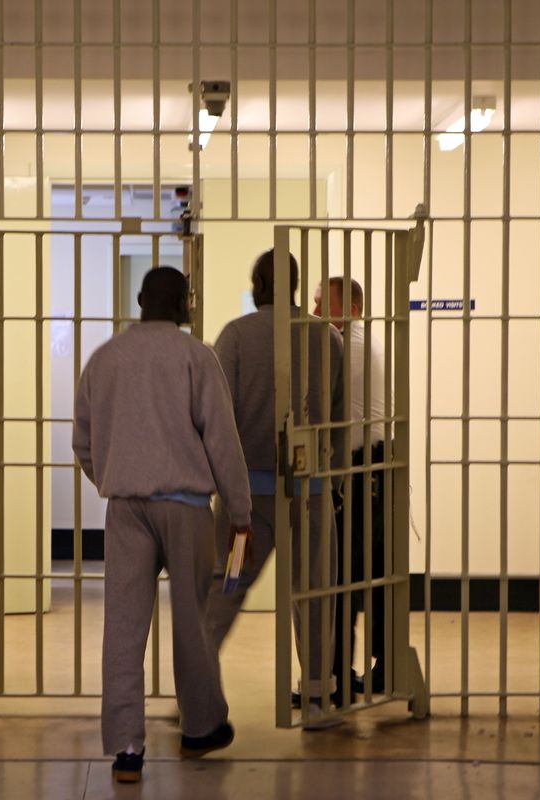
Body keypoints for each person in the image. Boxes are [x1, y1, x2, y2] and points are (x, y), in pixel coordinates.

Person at [72, 266, 252, 783]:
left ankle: (127, 749)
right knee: (192, 622)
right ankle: (200, 728)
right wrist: (240, 514)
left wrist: (116, 477)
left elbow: (83, 444)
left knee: (123, 628)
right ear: (181, 304)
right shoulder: (196, 357)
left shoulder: (104, 359)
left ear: (140, 300)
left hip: (125, 508)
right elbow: (222, 440)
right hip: (187, 507)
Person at [204, 249, 346, 729]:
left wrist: (216, 482)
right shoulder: (326, 339)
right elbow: (338, 422)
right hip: (309, 496)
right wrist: (335, 478)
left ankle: (197, 691)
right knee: (312, 592)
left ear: (259, 285)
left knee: (227, 586)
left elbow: (217, 419)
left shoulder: (236, 338)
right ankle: (316, 701)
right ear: (297, 284)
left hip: (247, 507)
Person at [314, 276, 389, 697]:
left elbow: (315, 401)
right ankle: (380, 668)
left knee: (338, 574)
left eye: (324, 304)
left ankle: (338, 679)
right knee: (371, 573)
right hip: (375, 468)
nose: (318, 313)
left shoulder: (346, 347)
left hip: (358, 470)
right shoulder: (368, 341)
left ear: (353, 308)